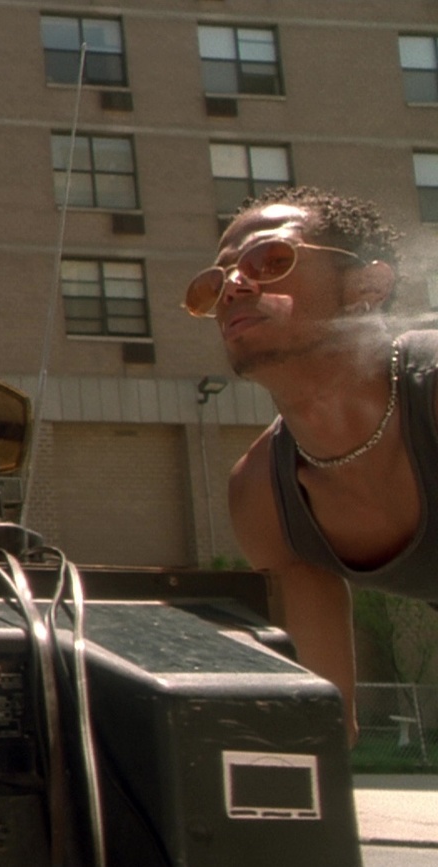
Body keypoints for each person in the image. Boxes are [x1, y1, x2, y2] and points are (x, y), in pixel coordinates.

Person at [186, 185, 417, 743]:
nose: (234, 288)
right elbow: (327, 723)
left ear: (367, 286)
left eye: (269, 260)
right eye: (213, 285)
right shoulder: (263, 492)